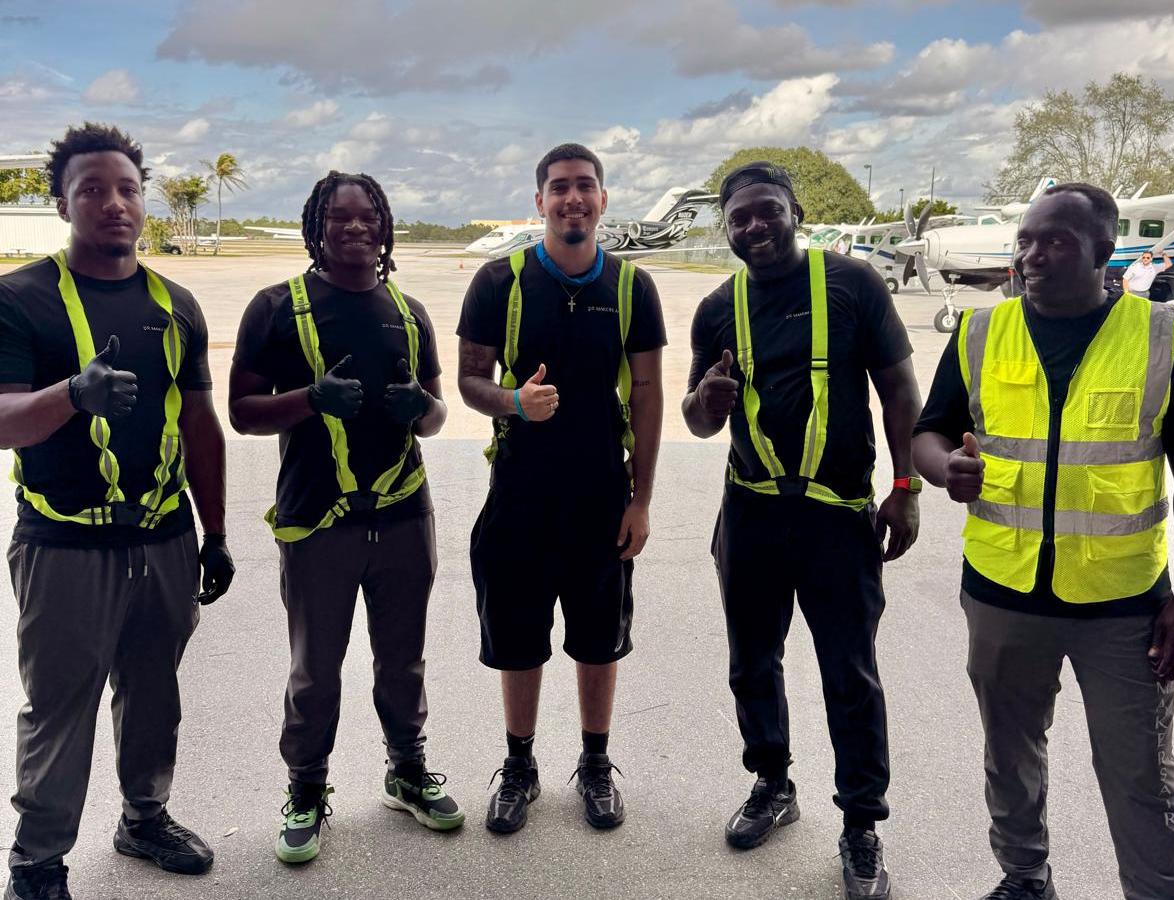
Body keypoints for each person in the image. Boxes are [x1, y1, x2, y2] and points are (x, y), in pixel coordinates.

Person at [913, 183, 1174, 900]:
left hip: (1122, 602)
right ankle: (1024, 878)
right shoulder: (982, 331)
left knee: (1137, 769)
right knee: (1010, 756)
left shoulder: (1164, 335)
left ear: (1105, 253)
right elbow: (928, 431)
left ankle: (1157, 892)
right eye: (1027, 240)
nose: (1033, 255)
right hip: (1002, 593)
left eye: (1056, 241)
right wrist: (945, 467)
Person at [0, 123, 234, 900]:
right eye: (92, 189)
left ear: (145, 200)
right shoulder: (20, 299)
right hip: (64, 545)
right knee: (61, 704)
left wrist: (218, 533)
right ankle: (37, 865)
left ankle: (144, 818)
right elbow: (2, 420)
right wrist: (72, 394)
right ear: (61, 200)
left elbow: (200, 425)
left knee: (153, 692)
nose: (113, 204)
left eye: (128, 188)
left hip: (164, 539)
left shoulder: (176, 304)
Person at [682, 162, 921, 900]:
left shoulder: (852, 286)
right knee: (753, 662)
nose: (754, 227)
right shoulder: (718, 308)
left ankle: (860, 824)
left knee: (849, 673)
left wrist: (905, 489)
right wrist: (707, 400)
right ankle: (772, 783)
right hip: (752, 511)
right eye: (739, 218)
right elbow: (695, 420)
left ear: (795, 211)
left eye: (767, 211)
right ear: (726, 228)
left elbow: (900, 392)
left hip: (837, 515)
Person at [229, 171, 463, 865]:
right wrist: (309, 399)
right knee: (315, 668)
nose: (355, 228)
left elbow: (438, 412)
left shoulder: (408, 310)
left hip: (401, 516)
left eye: (368, 218)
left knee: (403, 660)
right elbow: (242, 413)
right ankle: (307, 789)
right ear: (318, 227)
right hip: (317, 521)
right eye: (339, 218)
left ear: (385, 226)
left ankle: (406, 771)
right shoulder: (274, 307)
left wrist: (418, 410)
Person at [456, 143, 665, 834]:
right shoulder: (498, 281)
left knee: (598, 639)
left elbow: (648, 390)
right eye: (558, 188)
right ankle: (520, 764)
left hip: (602, 494)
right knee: (518, 637)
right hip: (520, 494)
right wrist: (515, 402)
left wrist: (641, 499)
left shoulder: (633, 287)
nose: (572, 198)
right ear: (539, 201)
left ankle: (595, 763)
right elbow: (471, 380)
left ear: (603, 199)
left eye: (585, 186)